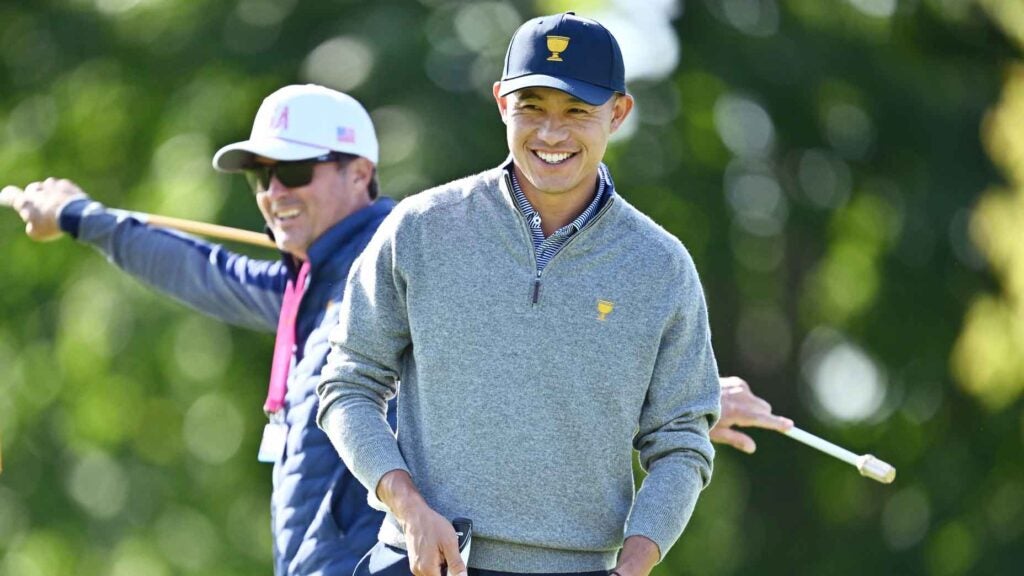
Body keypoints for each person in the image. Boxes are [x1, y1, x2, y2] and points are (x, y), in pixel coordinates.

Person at [318, 13, 726, 576]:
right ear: (501, 103)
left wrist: (636, 561)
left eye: (577, 111)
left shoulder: (660, 267)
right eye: (532, 107)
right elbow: (348, 383)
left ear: (619, 112)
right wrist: (408, 507)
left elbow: (681, 440)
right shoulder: (420, 228)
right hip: (421, 562)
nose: (551, 134)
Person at [10, 84, 394, 575]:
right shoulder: (306, 287)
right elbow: (202, 271)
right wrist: (80, 216)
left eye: (295, 171)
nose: (275, 193)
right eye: (262, 176)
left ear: (360, 173)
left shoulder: (396, 273)